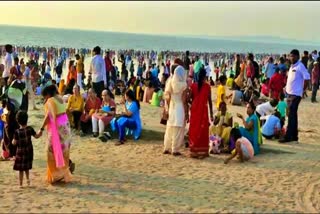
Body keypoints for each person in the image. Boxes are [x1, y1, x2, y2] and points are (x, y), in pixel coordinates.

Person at [39, 85, 73, 184]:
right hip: (66, 126)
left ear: (48, 94)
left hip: (57, 127)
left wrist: (41, 128)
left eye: (45, 96)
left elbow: (48, 116)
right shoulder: (61, 98)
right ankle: (63, 173)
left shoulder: (50, 101)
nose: (45, 99)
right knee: (64, 151)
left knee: (50, 151)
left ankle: (55, 175)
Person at [279, 49, 310, 143]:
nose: (290, 58)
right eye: (290, 56)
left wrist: (302, 89)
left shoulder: (300, 66)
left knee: (291, 115)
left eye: (292, 56)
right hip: (289, 94)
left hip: (295, 95)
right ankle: (294, 136)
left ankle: (288, 136)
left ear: (297, 56)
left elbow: (307, 77)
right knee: (293, 115)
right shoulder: (292, 66)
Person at [163, 66, 189, 156]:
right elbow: (184, 100)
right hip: (179, 107)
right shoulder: (184, 85)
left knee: (169, 127)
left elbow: (167, 97)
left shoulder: (170, 81)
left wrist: (167, 108)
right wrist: (186, 112)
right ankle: (175, 149)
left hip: (172, 106)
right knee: (178, 128)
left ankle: (166, 147)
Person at [189, 67, 214, 158]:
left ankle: (194, 150)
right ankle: (202, 151)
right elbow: (210, 101)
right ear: (205, 76)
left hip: (195, 109)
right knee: (202, 130)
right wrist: (211, 114)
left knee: (194, 129)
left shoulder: (193, 86)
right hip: (203, 110)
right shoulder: (207, 86)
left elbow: (190, 98)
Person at [13, 110, 42, 187]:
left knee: (21, 169)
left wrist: (12, 141)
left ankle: (21, 184)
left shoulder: (17, 132)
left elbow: (14, 142)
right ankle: (28, 181)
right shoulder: (30, 129)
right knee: (26, 168)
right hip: (28, 151)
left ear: (17, 121)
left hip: (20, 152)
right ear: (26, 119)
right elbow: (37, 136)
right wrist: (40, 131)